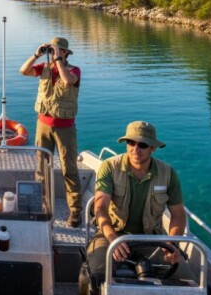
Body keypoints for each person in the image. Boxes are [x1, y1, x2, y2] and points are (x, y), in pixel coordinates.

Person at [79, 121, 191, 294]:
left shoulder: (168, 174)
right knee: (91, 276)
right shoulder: (109, 167)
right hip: (111, 234)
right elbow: (100, 208)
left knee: (182, 279)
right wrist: (113, 239)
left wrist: (171, 243)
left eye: (142, 145)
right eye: (130, 143)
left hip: (151, 239)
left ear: (153, 148)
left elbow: (178, 214)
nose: (135, 149)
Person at [19, 37, 83, 227]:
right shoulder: (44, 69)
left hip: (65, 128)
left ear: (65, 53)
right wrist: (36, 54)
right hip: (43, 125)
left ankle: (75, 212)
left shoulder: (73, 70)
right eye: (52, 51)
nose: (53, 54)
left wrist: (57, 60)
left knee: (69, 169)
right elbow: (23, 71)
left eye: (58, 51)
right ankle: (41, 205)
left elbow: (67, 81)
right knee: (41, 167)